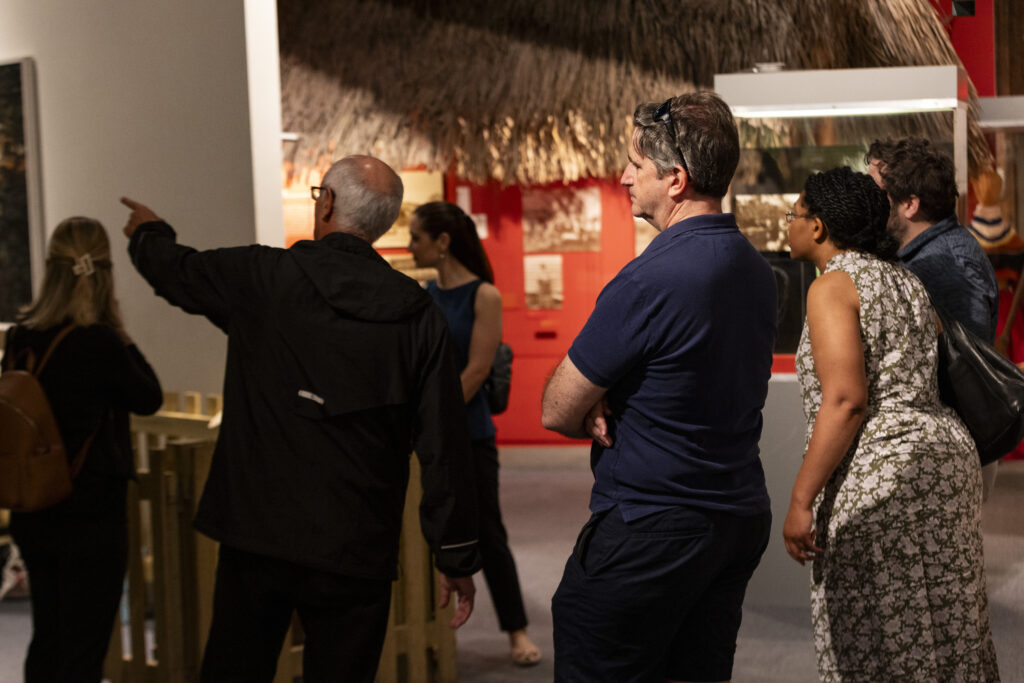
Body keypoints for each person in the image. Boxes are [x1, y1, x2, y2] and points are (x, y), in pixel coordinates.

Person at [119, 154, 481, 683]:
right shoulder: (415, 311)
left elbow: (178, 271)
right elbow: (443, 441)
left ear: (327, 203)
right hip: (357, 543)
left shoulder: (263, 278)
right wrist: (454, 552)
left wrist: (149, 232)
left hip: (259, 536)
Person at [541, 91, 777, 682]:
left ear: (675, 179)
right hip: (735, 518)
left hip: (653, 524)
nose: (623, 176)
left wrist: (596, 399)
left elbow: (557, 408)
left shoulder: (649, 278)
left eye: (635, 164)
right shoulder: (756, 269)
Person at [782, 167, 999, 680]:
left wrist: (799, 501)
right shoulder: (904, 278)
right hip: (943, 461)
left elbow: (846, 400)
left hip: (883, 474)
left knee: (877, 633)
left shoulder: (832, 285)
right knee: (948, 623)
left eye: (792, 214)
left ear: (817, 228)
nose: (786, 224)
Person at [3, 217, 163, 682]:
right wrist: (119, 327)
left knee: (47, 636)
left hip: (32, 509)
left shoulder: (20, 337)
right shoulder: (101, 343)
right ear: (104, 274)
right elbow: (149, 397)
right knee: (84, 648)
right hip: (90, 514)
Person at [407, 201, 541, 667]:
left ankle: (516, 631)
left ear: (442, 243)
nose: (410, 246)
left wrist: (431, 417)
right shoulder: (422, 295)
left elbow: (478, 369)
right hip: (430, 434)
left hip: (471, 432)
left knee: (488, 532)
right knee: (426, 531)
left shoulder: (484, 296)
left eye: (417, 238)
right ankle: (430, 637)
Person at [867, 138, 1002, 497]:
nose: (871, 203)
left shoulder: (948, 264)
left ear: (910, 204)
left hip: (948, 449)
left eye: (878, 193)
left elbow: (967, 369)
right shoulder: (928, 254)